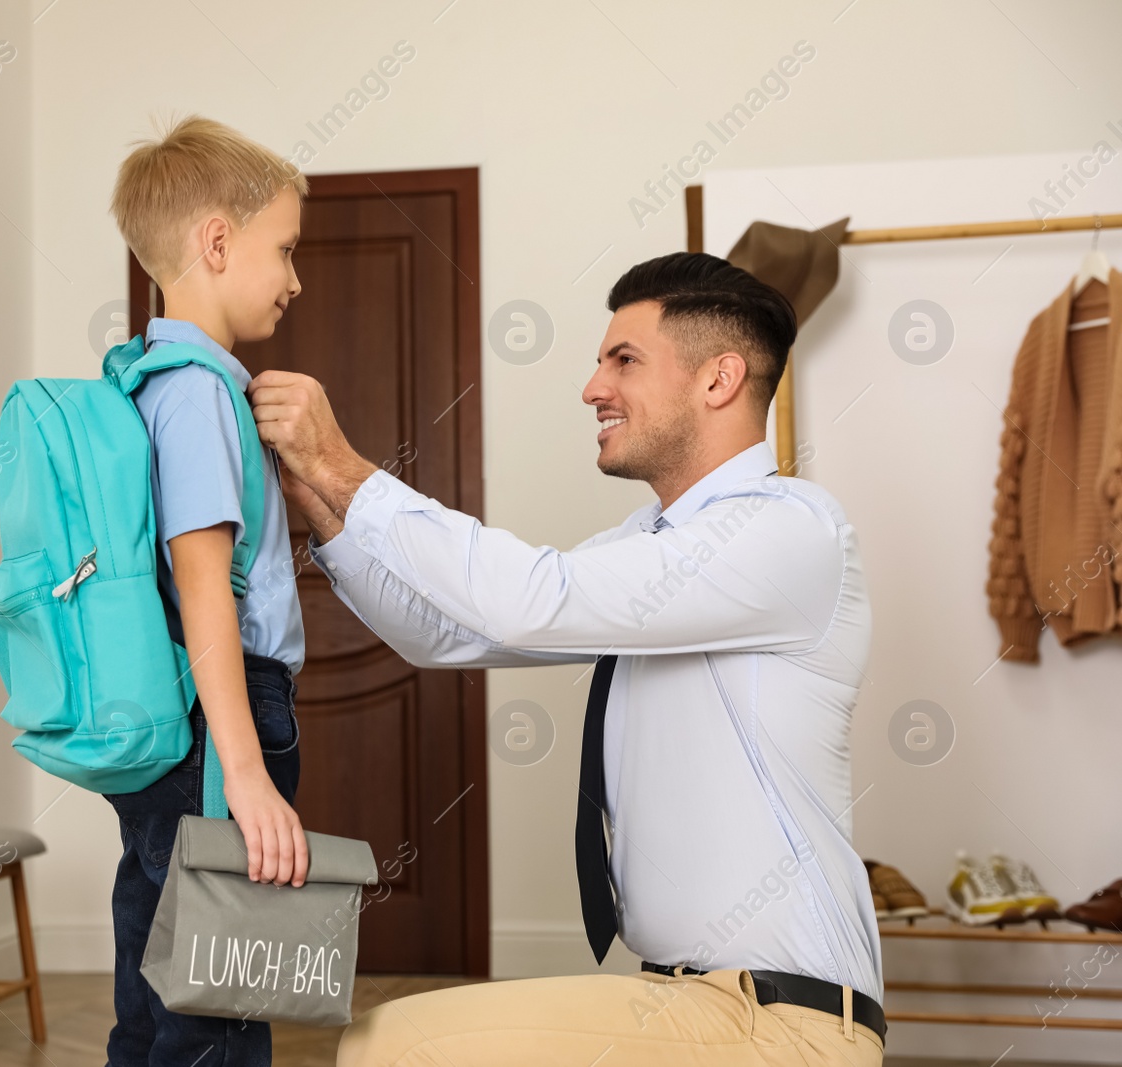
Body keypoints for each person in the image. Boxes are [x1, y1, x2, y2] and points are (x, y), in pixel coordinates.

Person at [250, 252, 885, 1066]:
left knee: (392, 1046)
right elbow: (452, 634)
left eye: (623, 360)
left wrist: (343, 464)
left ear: (719, 379)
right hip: (685, 999)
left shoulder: (790, 529)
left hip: (779, 1021)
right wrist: (326, 513)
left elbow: (529, 596)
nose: (593, 387)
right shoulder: (650, 543)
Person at [104, 115, 310, 1067]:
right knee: (218, 1007)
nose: (295, 279)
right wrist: (248, 775)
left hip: (171, 716)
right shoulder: (196, 395)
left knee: (157, 985)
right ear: (217, 242)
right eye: (285, 250)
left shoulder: (148, 383)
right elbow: (204, 593)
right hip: (220, 718)